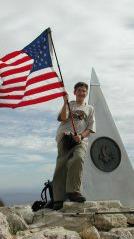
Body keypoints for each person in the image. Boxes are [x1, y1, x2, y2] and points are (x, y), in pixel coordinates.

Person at [52, 82, 96, 210]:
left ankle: (73, 191)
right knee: (61, 165)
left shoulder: (90, 109)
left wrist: (81, 136)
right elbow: (62, 118)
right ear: (74, 92)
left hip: (80, 140)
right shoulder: (70, 105)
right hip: (64, 138)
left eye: (84, 91)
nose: (82, 93)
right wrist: (65, 102)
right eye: (79, 90)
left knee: (78, 158)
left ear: (86, 93)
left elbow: (90, 128)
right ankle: (58, 198)